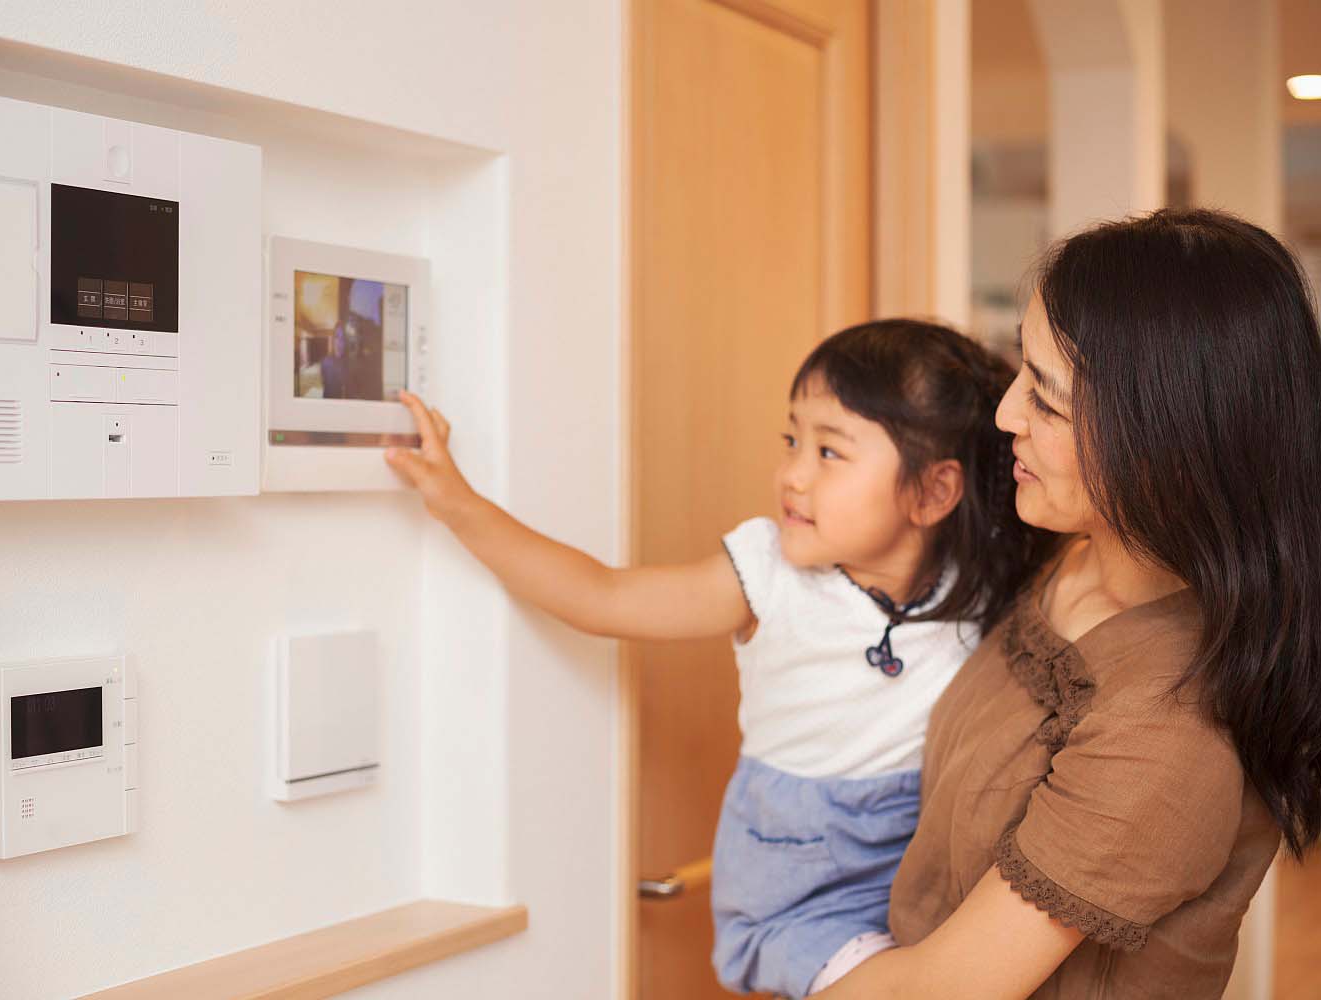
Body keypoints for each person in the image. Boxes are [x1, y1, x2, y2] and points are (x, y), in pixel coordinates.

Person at [384, 320, 1053, 998]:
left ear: (934, 493)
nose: (791, 474)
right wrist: (458, 505)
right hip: (797, 891)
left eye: (829, 452)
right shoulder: (767, 576)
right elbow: (599, 595)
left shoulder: (978, 588)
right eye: (793, 441)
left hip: (910, 873)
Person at [816, 208, 1321, 998]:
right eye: (1019, 372)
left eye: (1046, 401)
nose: (1006, 414)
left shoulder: (1171, 730)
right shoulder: (1064, 554)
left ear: (1167, 439)